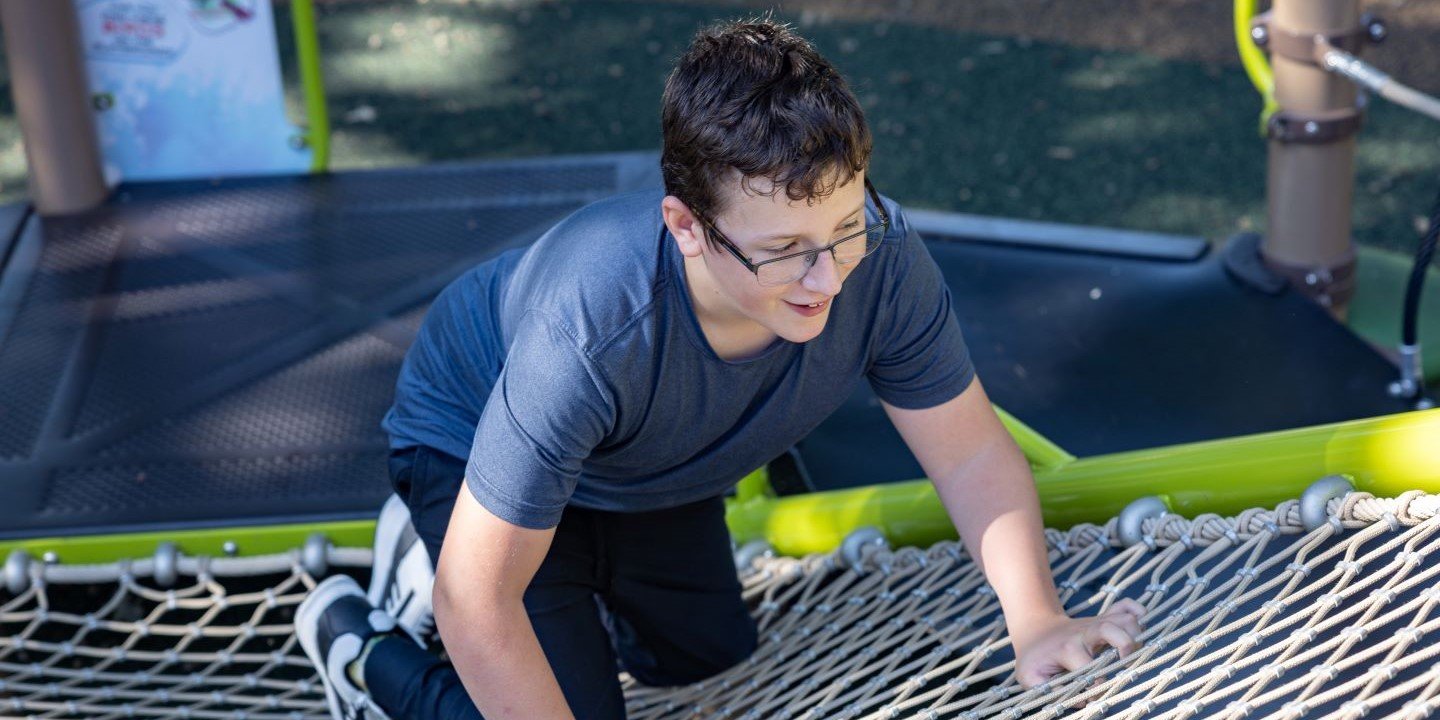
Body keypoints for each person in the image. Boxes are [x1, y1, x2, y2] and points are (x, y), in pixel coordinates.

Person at [296, 17, 1145, 720]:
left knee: (701, 658)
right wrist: (479, 581)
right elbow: (479, 607)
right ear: (686, 225)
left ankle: (557, 575)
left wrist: (1034, 620)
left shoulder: (879, 255)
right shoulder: (596, 328)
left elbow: (965, 451)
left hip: (643, 463)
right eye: (784, 252)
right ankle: (369, 645)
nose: (827, 278)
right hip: (472, 432)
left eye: (844, 226)